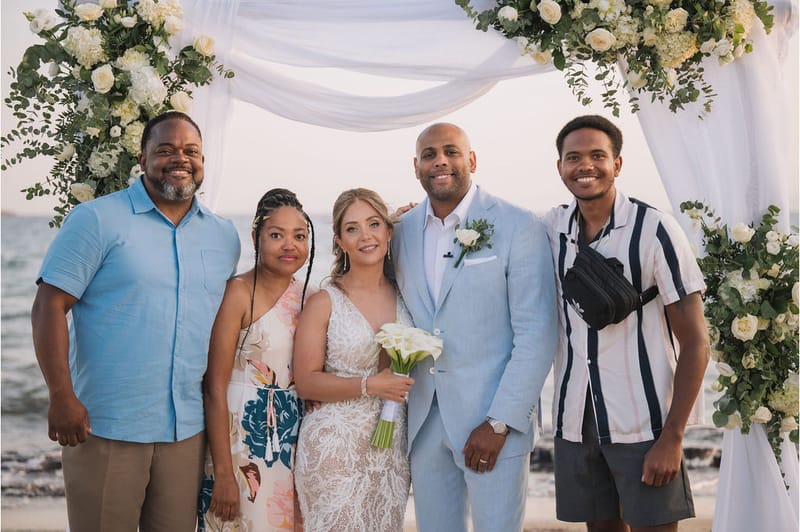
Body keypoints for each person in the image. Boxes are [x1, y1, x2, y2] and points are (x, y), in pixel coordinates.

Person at [30, 111, 241, 531]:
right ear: (142, 159)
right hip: (106, 426)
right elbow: (49, 306)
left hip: (186, 431)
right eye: (165, 149)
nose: (179, 158)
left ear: (203, 162)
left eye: (191, 151)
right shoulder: (96, 219)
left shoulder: (224, 236)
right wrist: (61, 396)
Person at [543, 114, 709, 532]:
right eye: (573, 157)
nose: (586, 166)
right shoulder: (551, 229)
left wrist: (672, 437)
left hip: (644, 423)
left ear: (617, 163)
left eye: (598, 155)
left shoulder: (655, 230)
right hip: (575, 418)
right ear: (560, 166)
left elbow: (695, 342)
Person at [391, 123, 558, 531]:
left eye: (451, 151)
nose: (440, 161)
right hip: (425, 424)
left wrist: (500, 421)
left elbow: (537, 333)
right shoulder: (400, 232)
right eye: (429, 154)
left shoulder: (520, 225)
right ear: (416, 167)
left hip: (493, 424)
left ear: (472, 160)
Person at [293, 188, 415, 531]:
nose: (366, 236)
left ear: (389, 231)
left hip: (391, 448)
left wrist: (413, 216)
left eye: (374, 224)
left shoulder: (408, 294)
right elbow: (306, 382)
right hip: (334, 447)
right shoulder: (325, 301)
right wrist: (370, 384)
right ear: (339, 241)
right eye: (352, 228)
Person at [198, 188, 315, 530]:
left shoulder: (312, 297)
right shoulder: (237, 293)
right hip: (238, 445)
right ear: (256, 237)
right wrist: (223, 473)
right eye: (276, 235)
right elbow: (214, 388)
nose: (289, 245)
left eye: (299, 236)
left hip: (290, 446)